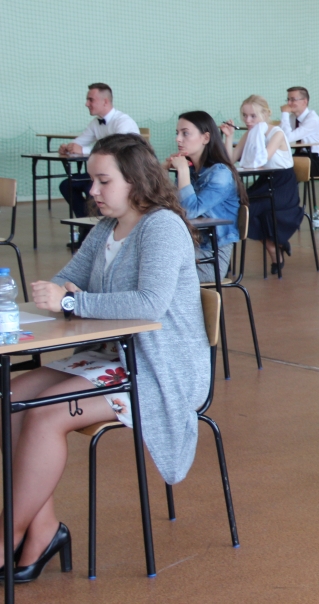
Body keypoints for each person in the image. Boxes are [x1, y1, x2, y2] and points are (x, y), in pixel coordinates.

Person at [9, 134, 208, 584]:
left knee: (44, 415)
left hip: (160, 368)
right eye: (92, 181)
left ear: (135, 180)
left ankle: (7, 536)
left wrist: (72, 301)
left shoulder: (162, 227)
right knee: (12, 397)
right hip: (112, 354)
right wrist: (61, 294)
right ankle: (43, 529)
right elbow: (66, 280)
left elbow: (149, 304)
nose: (93, 190)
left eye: (103, 181)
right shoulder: (105, 227)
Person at [220, 95, 304, 275]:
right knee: (236, 206)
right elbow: (229, 161)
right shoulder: (250, 134)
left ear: (265, 115)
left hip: (282, 186)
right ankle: (273, 246)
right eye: (245, 116)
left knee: (246, 210)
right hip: (265, 182)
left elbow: (262, 159)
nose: (248, 120)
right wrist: (229, 137)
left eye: (253, 116)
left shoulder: (277, 133)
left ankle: (273, 247)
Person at [166, 111, 246, 283]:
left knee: (154, 270)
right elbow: (166, 205)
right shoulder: (192, 171)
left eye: (185, 133)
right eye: (177, 133)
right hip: (190, 247)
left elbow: (189, 211)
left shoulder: (220, 173)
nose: (178, 139)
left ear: (206, 138)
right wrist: (162, 170)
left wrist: (182, 171)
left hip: (210, 259)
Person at [59, 84, 140, 224]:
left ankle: (96, 224)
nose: (86, 104)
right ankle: (87, 223)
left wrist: (82, 150)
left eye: (91, 100)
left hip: (124, 174)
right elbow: (80, 142)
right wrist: (68, 147)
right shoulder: (95, 123)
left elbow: (117, 149)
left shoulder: (123, 121)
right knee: (67, 185)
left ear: (105, 102)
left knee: (91, 188)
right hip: (103, 174)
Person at [279, 87, 319, 177]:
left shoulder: (312, 120)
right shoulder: (292, 118)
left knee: (283, 167)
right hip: (301, 156)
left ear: (304, 101)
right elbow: (279, 136)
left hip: (317, 161)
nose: (288, 103)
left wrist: (284, 114)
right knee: (276, 162)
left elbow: (287, 138)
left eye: (293, 100)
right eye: (288, 99)